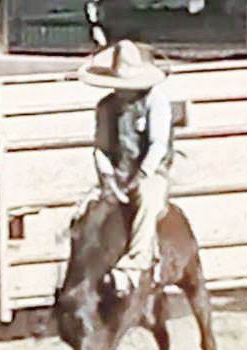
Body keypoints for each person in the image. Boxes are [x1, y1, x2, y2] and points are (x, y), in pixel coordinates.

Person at [78, 39, 175, 294]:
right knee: (82, 214)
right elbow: (101, 148)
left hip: (151, 173)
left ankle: (134, 266)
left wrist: (140, 175)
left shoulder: (156, 102)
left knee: (148, 199)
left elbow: (158, 145)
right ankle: (79, 273)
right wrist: (109, 178)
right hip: (118, 174)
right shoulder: (106, 107)